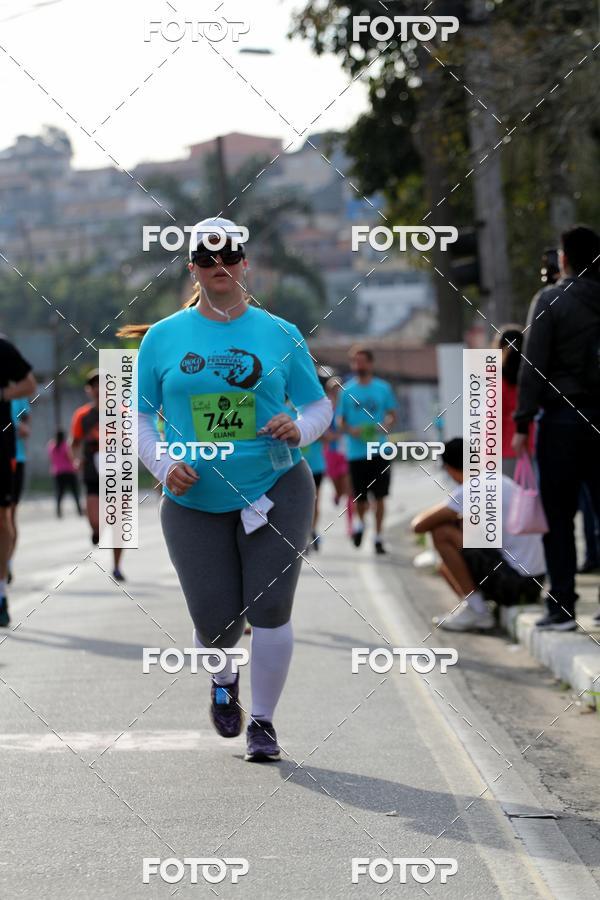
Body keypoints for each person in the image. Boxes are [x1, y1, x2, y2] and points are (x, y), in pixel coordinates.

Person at [119, 217, 332, 762]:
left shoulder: (279, 332)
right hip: (194, 500)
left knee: (270, 611)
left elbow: (318, 404)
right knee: (216, 625)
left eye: (229, 257)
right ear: (193, 267)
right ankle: (222, 679)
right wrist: (163, 463)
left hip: (278, 485)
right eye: (207, 260)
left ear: (245, 264)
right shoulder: (164, 338)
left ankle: (262, 723)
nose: (220, 268)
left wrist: (301, 428)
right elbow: (138, 416)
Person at [513, 225, 600, 630]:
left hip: (563, 421)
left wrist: (522, 421)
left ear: (564, 258)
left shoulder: (550, 299)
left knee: (559, 516)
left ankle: (563, 605)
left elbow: (533, 367)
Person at [411, 438, 546, 632]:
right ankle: (477, 606)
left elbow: (418, 526)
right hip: (536, 582)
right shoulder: (498, 479)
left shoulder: (470, 488)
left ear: (449, 468)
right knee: (447, 561)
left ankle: (478, 612)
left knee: (442, 533)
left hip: (515, 584)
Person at [336, 346, 396, 554]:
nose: (358, 365)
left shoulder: (383, 388)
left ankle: (378, 537)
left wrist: (385, 426)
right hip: (356, 452)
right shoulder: (347, 391)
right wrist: (350, 430)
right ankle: (361, 523)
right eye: (354, 361)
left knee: (380, 496)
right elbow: (340, 420)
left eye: (362, 361)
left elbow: (392, 414)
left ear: (370, 363)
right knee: (359, 497)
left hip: (379, 450)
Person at [70, 371, 126, 581]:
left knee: (119, 523)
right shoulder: (82, 415)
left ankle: (117, 566)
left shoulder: (122, 413)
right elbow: (74, 443)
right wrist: (76, 460)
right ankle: (96, 530)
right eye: (95, 385)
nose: (100, 389)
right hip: (93, 475)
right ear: (89, 390)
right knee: (95, 520)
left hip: (119, 475)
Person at [0, 335, 36, 626]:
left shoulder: (4, 351)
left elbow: (28, 389)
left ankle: (3, 581)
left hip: (7, 452)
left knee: (6, 517)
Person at [493, 326, 533, 478]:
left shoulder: (499, 380)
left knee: (511, 500)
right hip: (536, 446)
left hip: (507, 448)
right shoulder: (534, 376)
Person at [322, 377, 354, 536]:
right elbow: (323, 432)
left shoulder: (349, 406)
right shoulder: (325, 408)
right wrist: (333, 435)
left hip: (348, 453)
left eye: (340, 388)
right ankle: (337, 494)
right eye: (334, 389)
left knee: (350, 490)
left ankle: (351, 525)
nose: (337, 392)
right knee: (340, 488)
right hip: (332, 453)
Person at [7, 397, 31, 583]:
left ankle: (7, 562)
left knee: (9, 515)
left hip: (15, 459)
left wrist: (18, 427)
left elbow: (25, 427)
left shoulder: (19, 395)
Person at [48, 429, 82, 518]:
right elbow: (70, 457)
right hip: (69, 471)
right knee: (75, 492)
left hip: (58, 472)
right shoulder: (65, 446)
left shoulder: (51, 446)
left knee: (59, 493)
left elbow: (51, 459)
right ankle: (79, 510)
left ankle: (58, 512)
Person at [302, 438, 326, 551]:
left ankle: (312, 531)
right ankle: (304, 536)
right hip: (296, 467)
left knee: (314, 503)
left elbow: (330, 437)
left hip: (316, 467)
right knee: (300, 505)